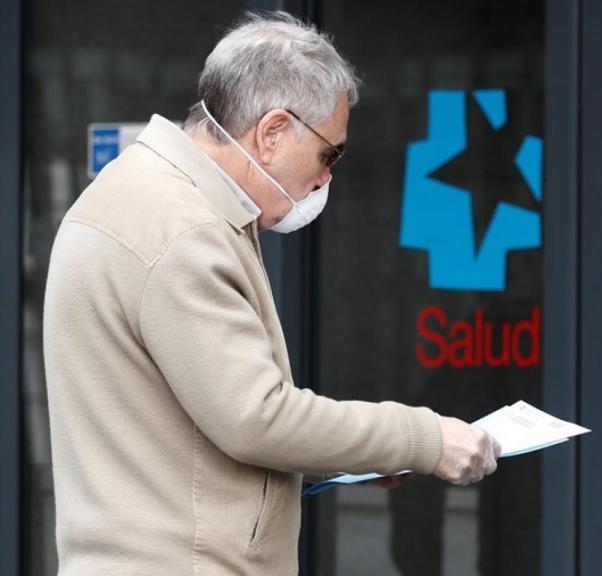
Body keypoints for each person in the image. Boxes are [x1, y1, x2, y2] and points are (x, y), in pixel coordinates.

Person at [42, 11, 500, 575]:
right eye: (329, 153)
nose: (327, 177)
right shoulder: (183, 229)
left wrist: (346, 458)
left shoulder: (142, 195)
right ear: (273, 131)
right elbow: (256, 418)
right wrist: (423, 439)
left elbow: (180, 432)